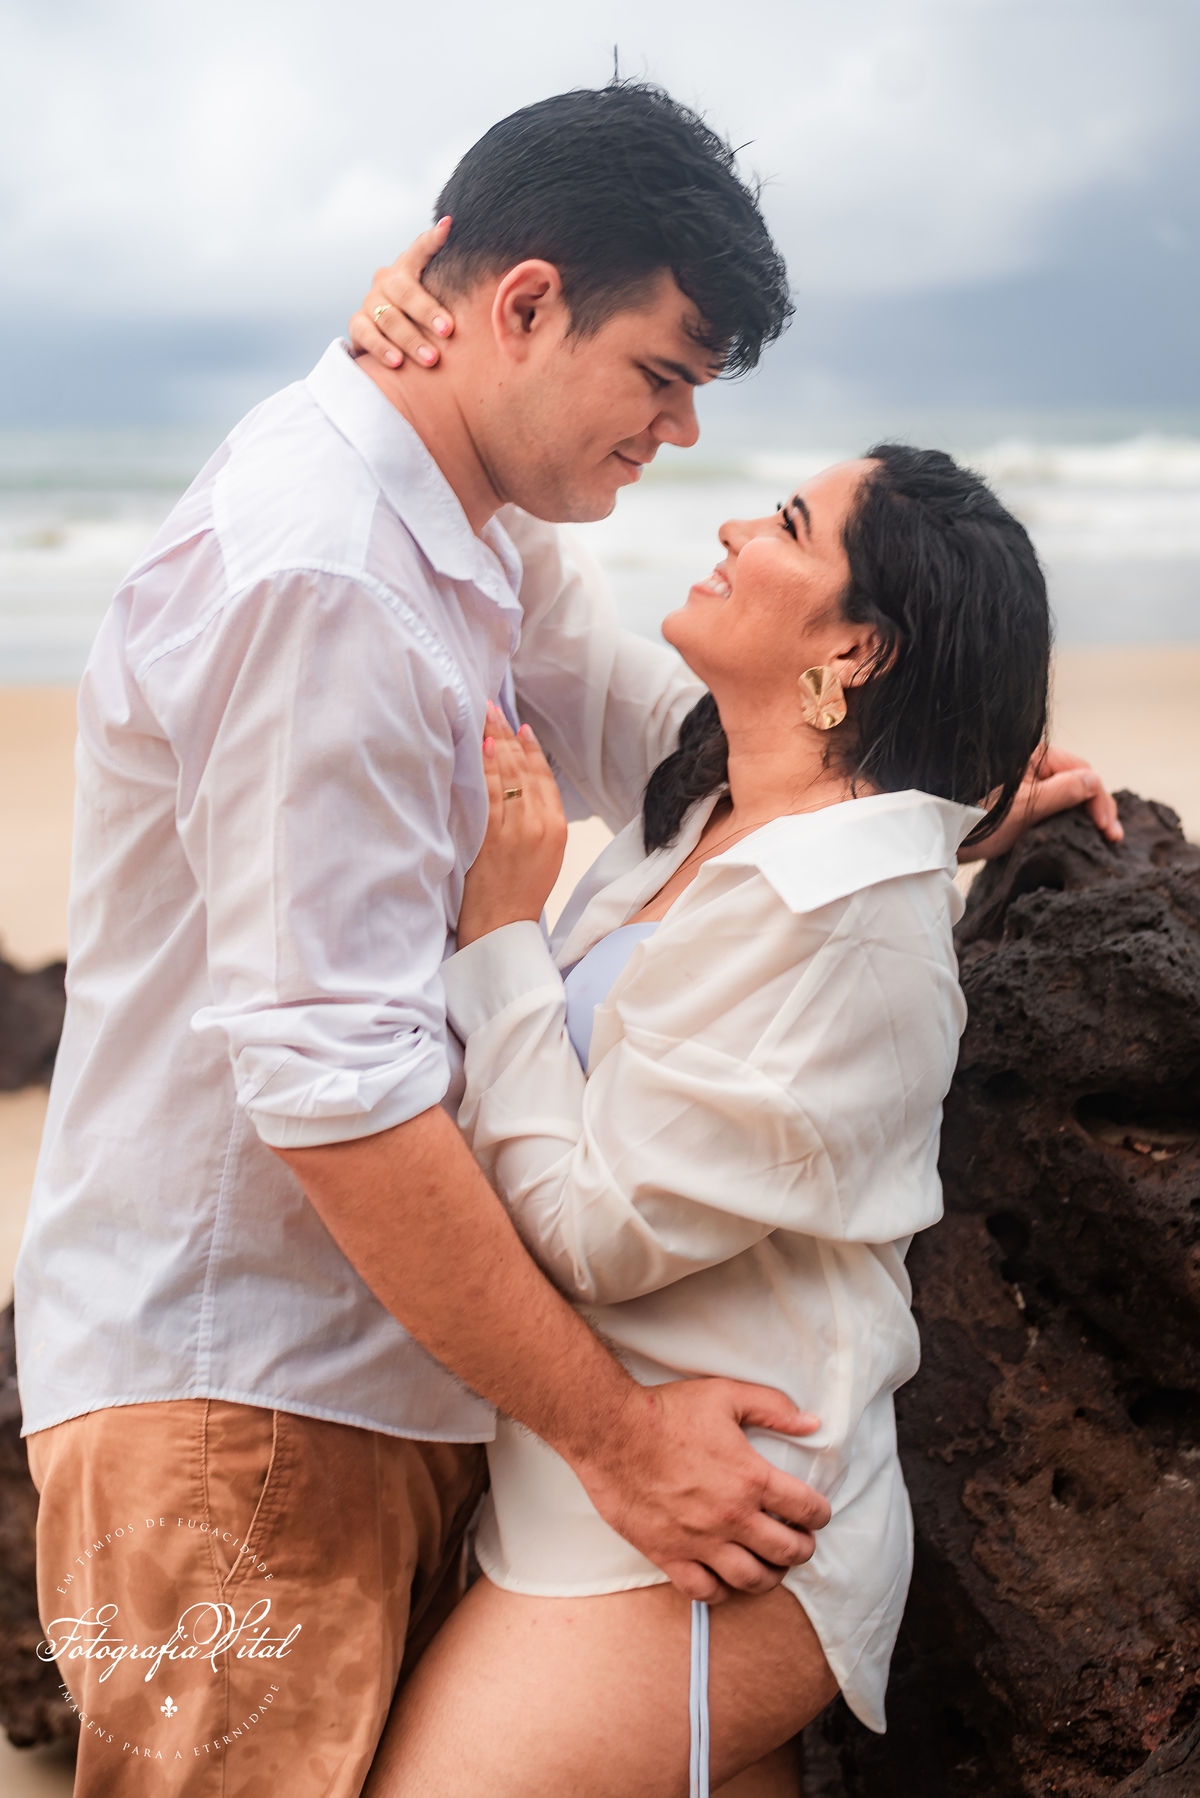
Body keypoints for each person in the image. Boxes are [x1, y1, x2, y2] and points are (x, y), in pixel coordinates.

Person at [16, 84, 832, 1798]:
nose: (678, 435)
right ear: (524, 302)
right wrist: (620, 1444)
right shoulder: (326, 578)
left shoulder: (466, 528)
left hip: (379, 1379)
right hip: (239, 1403)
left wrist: (942, 771)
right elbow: (336, 1098)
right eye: (664, 376)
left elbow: (648, 739)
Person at [362, 445, 1053, 1798]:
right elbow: (537, 594)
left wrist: (501, 934)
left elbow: (592, 1229)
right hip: (612, 1505)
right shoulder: (720, 803)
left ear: (855, 646)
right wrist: (428, 367)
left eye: (791, 521)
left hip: (707, 1541)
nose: (738, 521)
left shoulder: (840, 919)